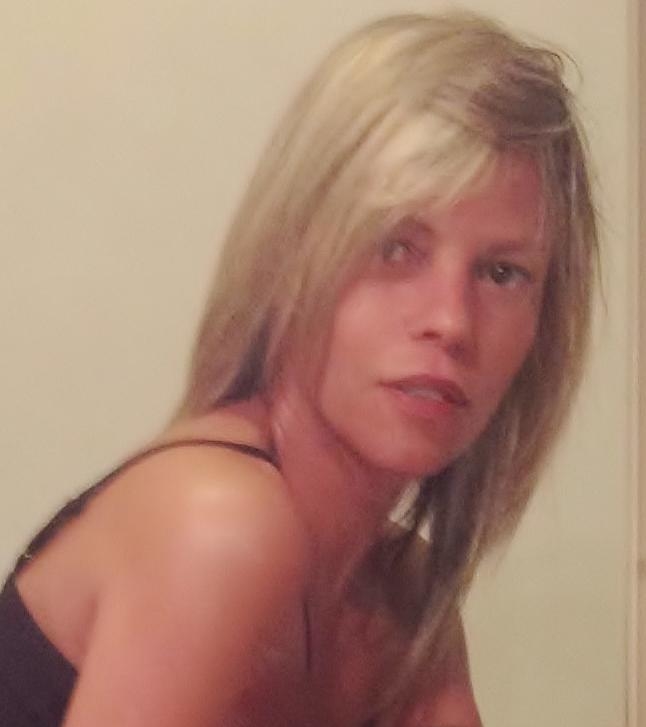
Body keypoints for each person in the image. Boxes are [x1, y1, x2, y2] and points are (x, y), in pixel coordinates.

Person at [0, 10, 598, 727]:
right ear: (292, 255)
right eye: (396, 246)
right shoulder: (218, 527)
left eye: (502, 273)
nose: (451, 319)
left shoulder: (401, 597)